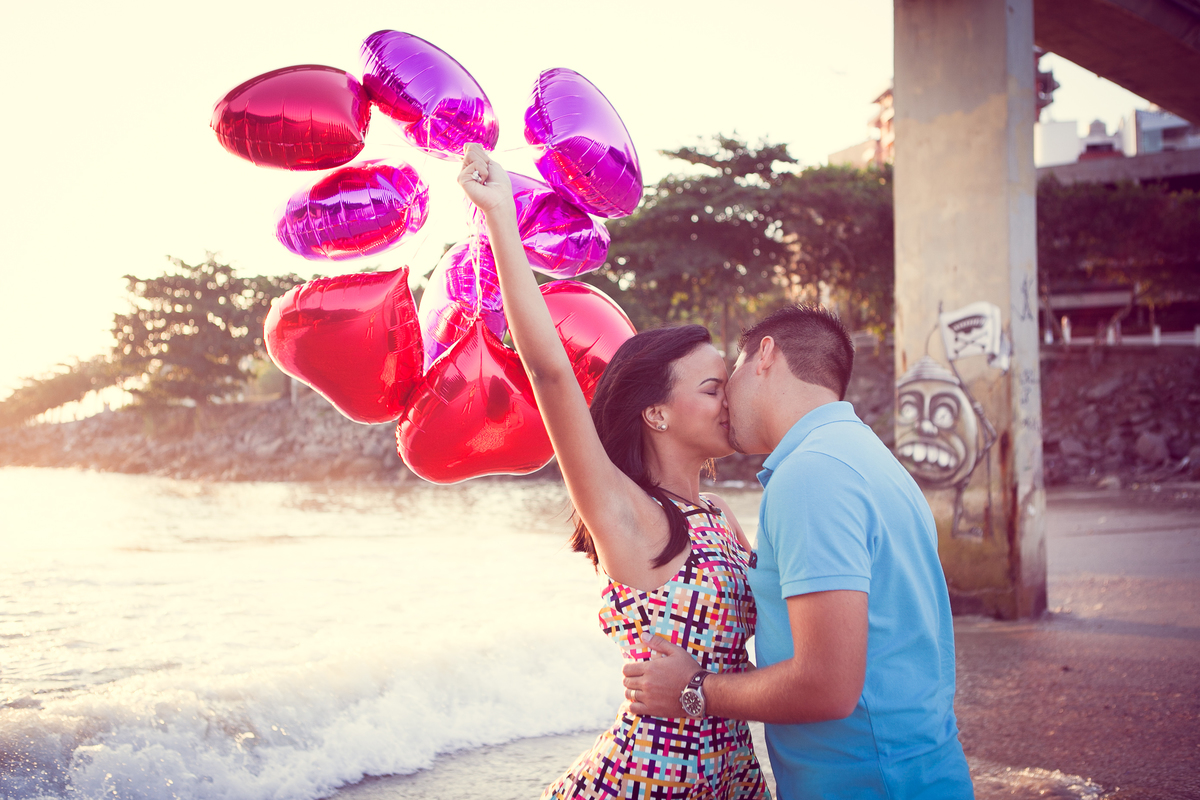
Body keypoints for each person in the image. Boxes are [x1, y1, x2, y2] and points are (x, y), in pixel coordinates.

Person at [458, 144, 770, 799]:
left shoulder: (720, 516)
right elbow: (548, 372)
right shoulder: (626, 513)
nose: (730, 399)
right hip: (648, 781)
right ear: (656, 414)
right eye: (713, 387)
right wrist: (499, 221)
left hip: (732, 774)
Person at [621, 307, 974, 799]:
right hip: (918, 771)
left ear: (764, 356)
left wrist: (694, 688)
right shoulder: (869, 458)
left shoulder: (812, 475)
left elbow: (827, 684)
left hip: (867, 782)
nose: (725, 401)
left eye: (732, 374)